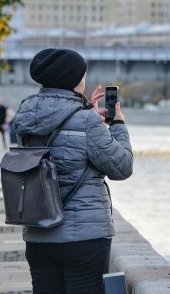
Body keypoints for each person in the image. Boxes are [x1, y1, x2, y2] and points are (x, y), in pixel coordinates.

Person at [12, 48, 133, 293]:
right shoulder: (86, 121)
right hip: (83, 238)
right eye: (83, 75)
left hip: (38, 232)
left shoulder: (25, 117)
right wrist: (117, 124)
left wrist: (85, 112)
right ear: (73, 79)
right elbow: (122, 167)